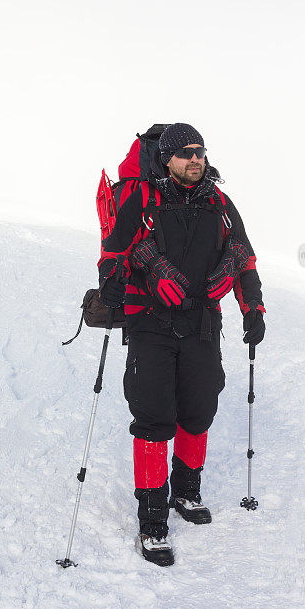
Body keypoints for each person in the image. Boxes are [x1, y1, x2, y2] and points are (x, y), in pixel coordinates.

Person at [98, 122, 265, 566]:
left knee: (198, 410)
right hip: (151, 325)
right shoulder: (143, 200)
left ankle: (186, 494)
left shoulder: (220, 204)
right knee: (154, 419)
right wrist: (112, 283)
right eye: (187, 152)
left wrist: (253, 308)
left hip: (202, 326)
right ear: (166, 159)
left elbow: (243, 258)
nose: (197, 159)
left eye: (201, 152)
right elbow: (114, 251)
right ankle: (152, 522)